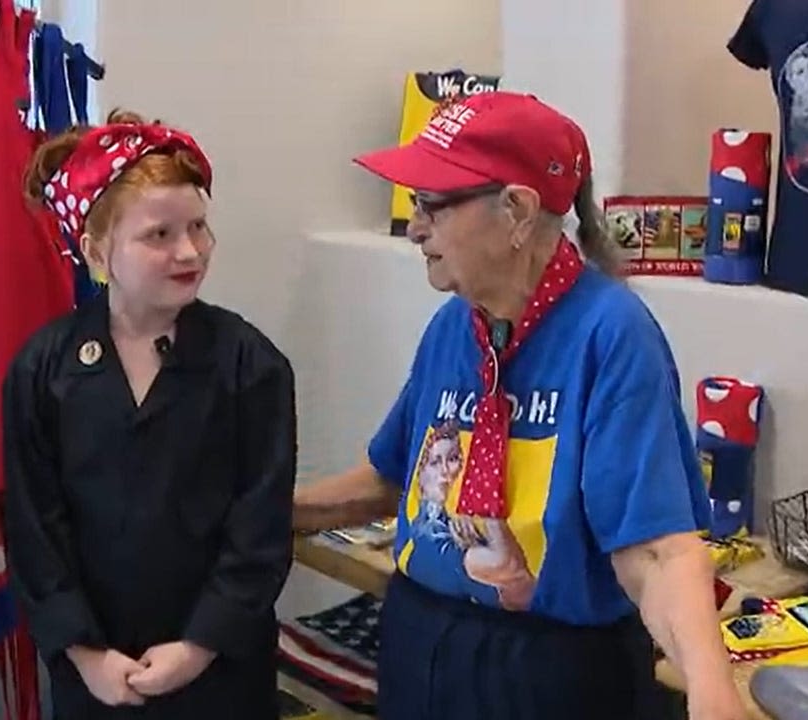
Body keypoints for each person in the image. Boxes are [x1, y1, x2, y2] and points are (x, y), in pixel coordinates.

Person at [292, 91, 746, 720]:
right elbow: (391, 480)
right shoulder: (454, 326)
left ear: (517, 211)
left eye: (433, 205)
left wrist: (710, 689)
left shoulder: (611, 333)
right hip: (422, 647)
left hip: (549, 672)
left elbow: (656, 550)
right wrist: (264, 512)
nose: (416, 226)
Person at [3, 109, 297, 719]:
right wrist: (85, 655)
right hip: (95, 674)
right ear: (96, 249)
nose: (189, 250)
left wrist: (197, 646)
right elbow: (36, 528)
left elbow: (259, 529)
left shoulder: (250, 365)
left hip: (220, 673)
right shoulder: (44, 370)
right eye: (158, 235)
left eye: (198, 227)